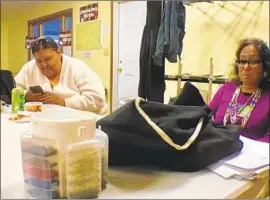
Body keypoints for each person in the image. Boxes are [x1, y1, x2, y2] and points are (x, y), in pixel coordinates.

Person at [15, 36, 107, 114]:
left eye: (48, 59)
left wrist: (63, 102)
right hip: (45, 119)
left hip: (83, 122)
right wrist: (25, 96)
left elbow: (97, 99)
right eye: (39, 61)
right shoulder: (29, 68)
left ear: (58, 54)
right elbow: (14, 89)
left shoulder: (77, 67)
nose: (43, 65)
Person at [209, 38, 270, 143]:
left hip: (252, 155)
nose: (246, 67)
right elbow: (207, 116)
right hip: (218, 149)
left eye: (252, 61)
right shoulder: (227, 89)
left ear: (265, 66)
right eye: (242, 61)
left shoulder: (267, 96)